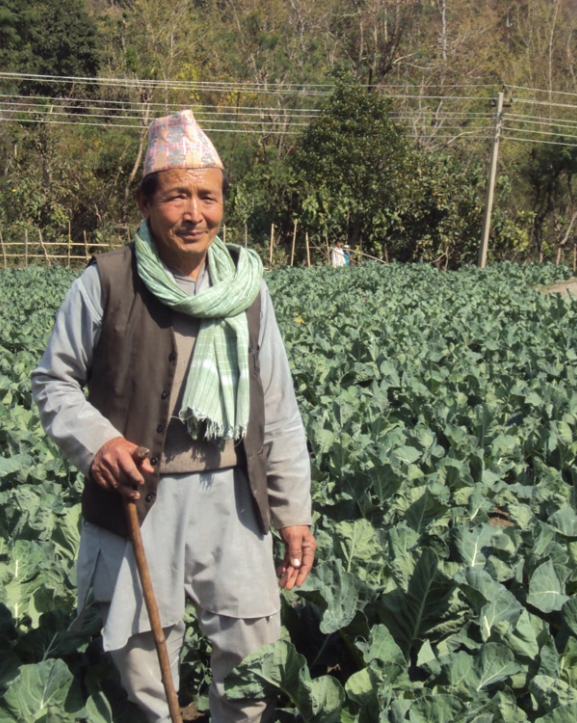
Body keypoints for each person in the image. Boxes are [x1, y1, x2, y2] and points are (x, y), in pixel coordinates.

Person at [31, 109, 316, 723]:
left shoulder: (247, 287)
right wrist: (99, 444)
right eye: (177, 196)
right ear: (145, 202)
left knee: (252, 653)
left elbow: (280, 408)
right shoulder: (106, 282)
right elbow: (53, 381)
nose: (195, 213)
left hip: (234, 498)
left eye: (207, 197)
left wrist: (294, 513)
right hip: (142, 497)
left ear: (222, 203)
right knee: (141, 658)